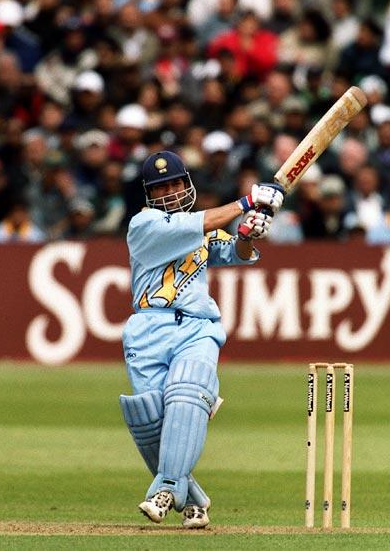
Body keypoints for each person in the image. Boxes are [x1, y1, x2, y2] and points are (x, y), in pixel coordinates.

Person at [118, 150, 283, 528]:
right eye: (161, 187)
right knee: (152, 422)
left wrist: (248, 230)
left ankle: (165, 491)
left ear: (187, 182)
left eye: (176, 183)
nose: (171, 192)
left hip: (196, 326)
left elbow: (238, 253)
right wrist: (247, 201)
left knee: (186, 392)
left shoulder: (203, 227)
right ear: (149, 194)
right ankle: (195, 502)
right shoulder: (143, 224)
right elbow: (204, 223)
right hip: (147, 329)